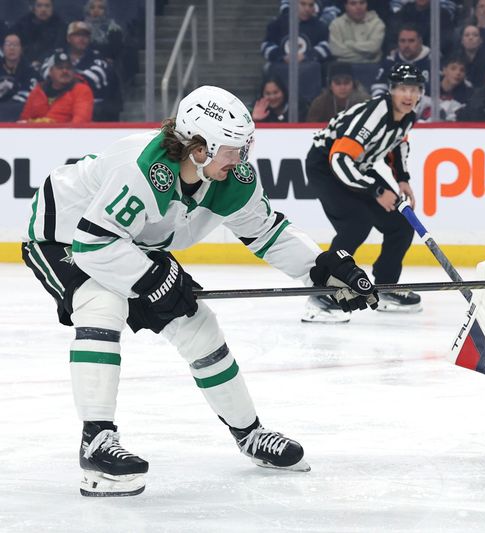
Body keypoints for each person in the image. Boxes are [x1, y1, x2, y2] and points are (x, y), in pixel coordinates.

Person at [21, 85, 379, 496]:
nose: (241, 158)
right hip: (63, 235)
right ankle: (96, 442)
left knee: (198, 327)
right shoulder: (140, 168)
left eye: (245, 147)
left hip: (128, 239)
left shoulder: (231, 178)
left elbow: (267, 232)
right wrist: (153, 281)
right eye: (232, 149)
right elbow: (94, 245)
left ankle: (250, 434)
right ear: (198, 148)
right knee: (102, 305)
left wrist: (322, 270)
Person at [305, 64, 425, 322]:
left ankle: (385, 285)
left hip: (357, 168)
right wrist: (377, 189)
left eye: (414, 89)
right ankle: (324, 291)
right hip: (325, 166)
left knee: (401, 225)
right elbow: (339, 159)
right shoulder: (374, 115)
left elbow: (398, 143)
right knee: (356, 224)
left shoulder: (407, 116)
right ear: (392, 90)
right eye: (403, 88)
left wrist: (402, 179)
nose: (408, 95)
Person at [41, 21, 121, 121]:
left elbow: (93, 78)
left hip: (90, 111)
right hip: (57, 109)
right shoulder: (57, 55)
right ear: (68, 38)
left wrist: (61, 76)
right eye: (77, 35)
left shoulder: (98, 59)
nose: (82, 39)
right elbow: (45, 72)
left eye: (85, 35)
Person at [19, 51, 93, 123]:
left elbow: (81, 123)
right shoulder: (37, 91)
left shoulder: (82, 91)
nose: (65, 71)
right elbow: (23, 121)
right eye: (60, 68)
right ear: (50, 71)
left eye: (68, 68)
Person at [371, 24, 433, 96]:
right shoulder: (391, 61)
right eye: (402, 41)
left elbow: (441, 88)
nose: (406, 45)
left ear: (420, 42)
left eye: (411, 41)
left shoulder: (433, 61)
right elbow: (378, 86)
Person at [306, 61, 370, 122]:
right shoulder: (320, 103)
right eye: (337, 83)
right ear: (330, 86)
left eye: (346, 83)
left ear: (353, 84)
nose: (342, 87)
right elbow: (311, 128)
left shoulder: (365, 102)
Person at [10, 0, 67, 68]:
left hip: (52, 65)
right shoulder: (22, 25)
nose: (43, 9)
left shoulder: (61, 26)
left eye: (47, 6)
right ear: (33, 8)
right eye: (39, 6)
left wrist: (40, 61)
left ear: (52, 8)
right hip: (24, 65)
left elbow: (58, 48)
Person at [0, 33, 39, 121]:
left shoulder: (30, 70)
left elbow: (32, 95)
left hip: (20, 114)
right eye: (8, 44)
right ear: (2, 49)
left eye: (16, 45)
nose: (12, 48)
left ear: (21, 49)